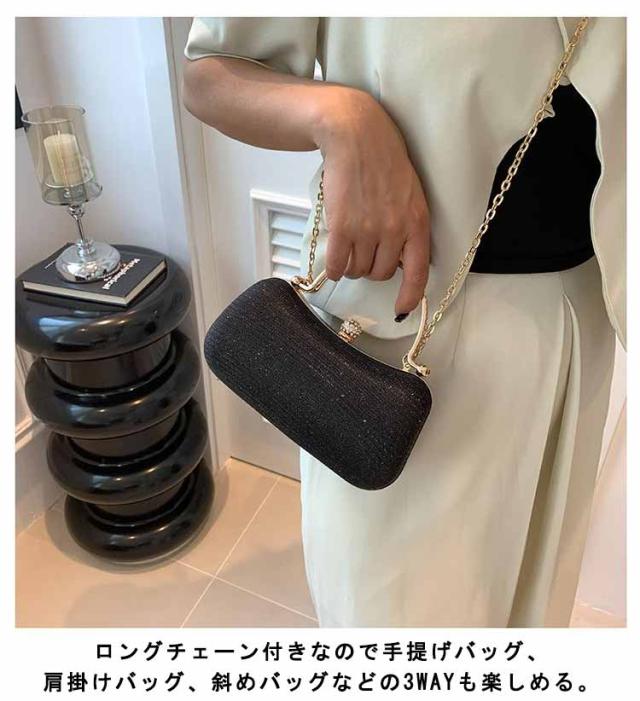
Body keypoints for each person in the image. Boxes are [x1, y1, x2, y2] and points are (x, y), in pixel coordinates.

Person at [182, 17, 625, 627]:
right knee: (394, 620)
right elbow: (209, 75)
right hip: (394, 335)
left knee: (536, 605)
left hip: (585, 314)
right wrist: (342, 117)